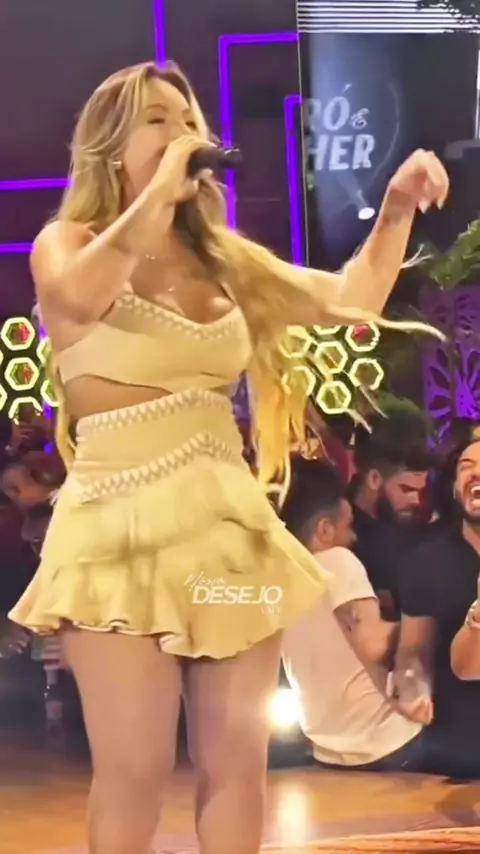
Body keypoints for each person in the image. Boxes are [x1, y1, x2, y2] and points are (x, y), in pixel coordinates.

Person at [8, 60, 448, 854]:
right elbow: (78, 297)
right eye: (157, 120)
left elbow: (351, 297)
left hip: (228, 536)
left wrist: (394, 210)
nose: (182, 134)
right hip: (116, 534)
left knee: (239, 765)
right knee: (135, 769)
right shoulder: (67, 244)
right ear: (109, 144)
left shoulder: (226, 262)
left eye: (188, 121)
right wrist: (156, 195)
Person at [281, 459, 424, 772]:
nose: (355, 538)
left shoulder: (278, 580)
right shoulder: (337, 559)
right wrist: (431, 625)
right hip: (388, 742)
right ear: (324, 530)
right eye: (348, 526)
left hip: (328, 750)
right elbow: (374, 643)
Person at [393, 435, 480, 779]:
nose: (475, 474)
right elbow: (412, 653)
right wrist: (412, 685)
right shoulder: (427, 562)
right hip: (457, 755)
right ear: (455, 488)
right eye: (466, 467)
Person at [349, 416, 435, 619]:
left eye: (421, 491)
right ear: (374, 479)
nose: (416, 500)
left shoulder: (419, 526)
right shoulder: (344, 535)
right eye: (406, 489)